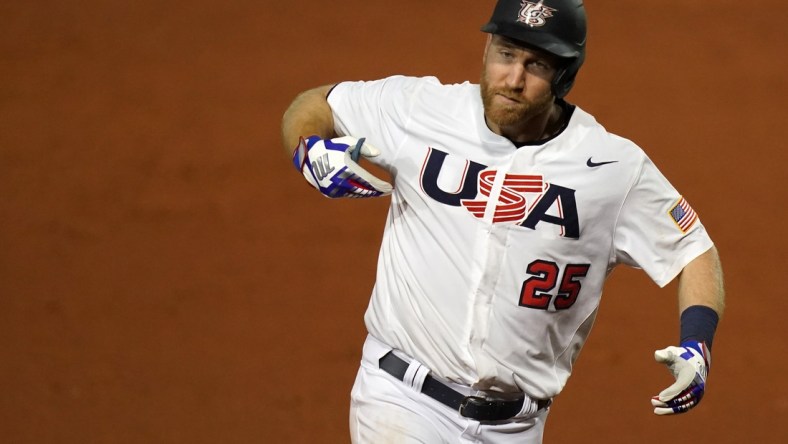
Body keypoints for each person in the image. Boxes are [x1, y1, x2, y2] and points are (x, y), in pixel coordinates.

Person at [281, 0, 725, 442]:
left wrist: (698, 344)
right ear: (487, 49)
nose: (513, 79)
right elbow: (316, 103)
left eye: (536, 65)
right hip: (400, 401)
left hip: (517, 427)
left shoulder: (614, 169)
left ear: (565, 76)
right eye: (506, 54)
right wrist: (310, 149)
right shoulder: (421, 110)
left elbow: (693, 250)